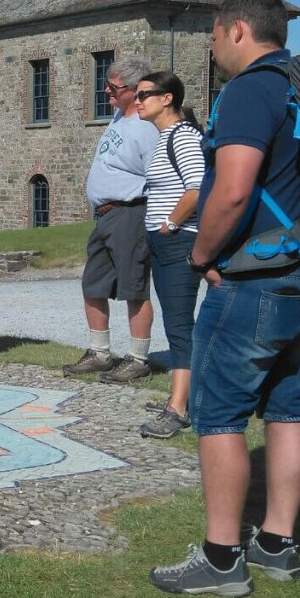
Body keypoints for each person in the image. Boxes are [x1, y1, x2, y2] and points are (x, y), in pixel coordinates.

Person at [149, 0, 300, 597]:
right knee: (290, 409)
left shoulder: (249, 90)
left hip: (255, 278)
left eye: (211, 35)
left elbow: (230, 190)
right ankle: (278, 544)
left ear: (234, 31)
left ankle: (222, 557)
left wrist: (202, 254)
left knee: (218, 416)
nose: (210, 47)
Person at [63, 55, 159, 380]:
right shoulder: (119, 117)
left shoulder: (147, 129)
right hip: (104, 216)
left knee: (134, 288)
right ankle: (100, 353)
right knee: (93, 283)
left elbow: (157, 178)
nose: (107, 92)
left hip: (130, 213)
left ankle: (138, 358)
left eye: (114, 87)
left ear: (136, 90)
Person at [128, 72, 205, 439]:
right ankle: (179, 397)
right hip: (164, 241)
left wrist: (171, 224)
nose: (137, 100)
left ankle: (178, 409)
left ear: (168, 98)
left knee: (178, 324)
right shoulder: (165, 138)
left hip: (179, 241)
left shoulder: (183, 136)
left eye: (145, 94)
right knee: (176, 322)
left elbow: (197, 187)